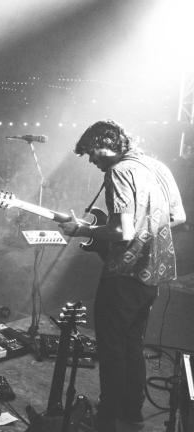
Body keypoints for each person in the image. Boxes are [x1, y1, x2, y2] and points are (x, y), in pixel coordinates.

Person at [59, 120, 186, 432]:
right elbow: (179, 218)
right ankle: (132, 415)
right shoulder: (158, 167)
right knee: (133, 346)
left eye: (93, 152)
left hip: (122, 275)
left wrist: (82, 229)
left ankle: (107, 420)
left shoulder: (118, 172)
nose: (92, 160)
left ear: (109, 143)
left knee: (112, 349)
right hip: (152, 276)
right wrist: (150, 237)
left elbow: (121, 230)